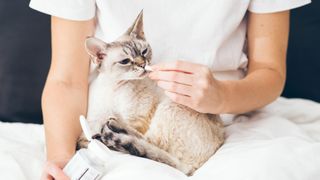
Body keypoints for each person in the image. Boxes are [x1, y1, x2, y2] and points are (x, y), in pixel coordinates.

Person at [29, 0, 311, 179]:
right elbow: (66, 79)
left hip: (229, 118)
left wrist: (221, 96)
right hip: (108, 128)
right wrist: (62, 159)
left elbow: (270, 73)